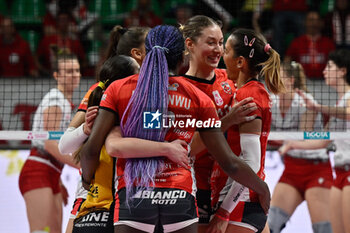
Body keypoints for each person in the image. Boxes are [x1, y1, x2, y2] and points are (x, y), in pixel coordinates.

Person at [80, 25, 270, 233]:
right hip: (179, 197)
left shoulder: (119, 89)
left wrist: (87, 180)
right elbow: (230, 163)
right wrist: (262, 188)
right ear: (182, 57)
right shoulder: (198, 97)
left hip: (134, 196)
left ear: (148, 52)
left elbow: (91, 150)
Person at [58, 25, 149, 233]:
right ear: (137, 54)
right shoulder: (99, 90)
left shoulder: (151, 90)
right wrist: (86, 130)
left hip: (128, 192)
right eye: (150, 45)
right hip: (92, 193)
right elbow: (65, 145)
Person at [180, 15, 258, 233]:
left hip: (235, 181)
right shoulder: (180, 89)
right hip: (201, 186)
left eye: (221, 43)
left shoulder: (230, 79)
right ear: (190, 44)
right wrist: (227, 121)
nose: (218, 49)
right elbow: (188, 148)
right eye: (211, 42)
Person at [207, 28, 285, 233]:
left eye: (226, 51)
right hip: (244, 201)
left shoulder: (249, 94)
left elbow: (250, 162)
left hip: (238, 205)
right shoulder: (250, 91)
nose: (222, 55)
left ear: (240, 62)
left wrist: (224, 212)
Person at [280, 49, 350, 233]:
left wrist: (317, 107)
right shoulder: (339, 101)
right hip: (340, 172)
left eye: (330, 67)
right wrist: (293, 143)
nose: (324, 71)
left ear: (342, 71)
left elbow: (349, 114)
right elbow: (323, 139)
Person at [267, 61, 333, 233]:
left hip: (316, 169)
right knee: (270, 225)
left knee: (323, 229)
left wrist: (273, 140)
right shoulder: (271, 102)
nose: (273, 81)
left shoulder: (305, 102)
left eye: (277, 77)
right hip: (291, 169)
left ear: (290, 81)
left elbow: (303, 138)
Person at [18, 53, 80, 233]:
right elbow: (49, 144)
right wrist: (84, 166)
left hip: (53, 172)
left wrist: (58, 180)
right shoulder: (55, 100)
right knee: (40, 231)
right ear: (57, 75)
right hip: (38, 170)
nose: (74, 74)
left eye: (76, 70)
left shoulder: (64, 101)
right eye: (68, 71)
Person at [285, 10, 336, 80]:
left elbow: (335, 63)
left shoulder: (329, 43)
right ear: (305, 22)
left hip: (325, 82)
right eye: (311, 20)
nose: (314, 23)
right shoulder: (296, 42)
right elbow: (287, 61)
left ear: (322, 23)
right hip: (302, 82)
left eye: (317, 20)